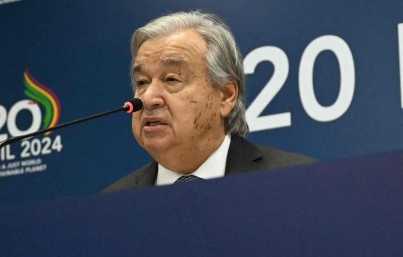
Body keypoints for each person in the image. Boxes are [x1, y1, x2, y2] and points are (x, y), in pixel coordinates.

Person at [104, 11, 316, 192]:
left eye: (171, 79)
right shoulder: (111, 204)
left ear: (226, 95)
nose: (148, 98)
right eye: (142, 82)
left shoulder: (299, 182)